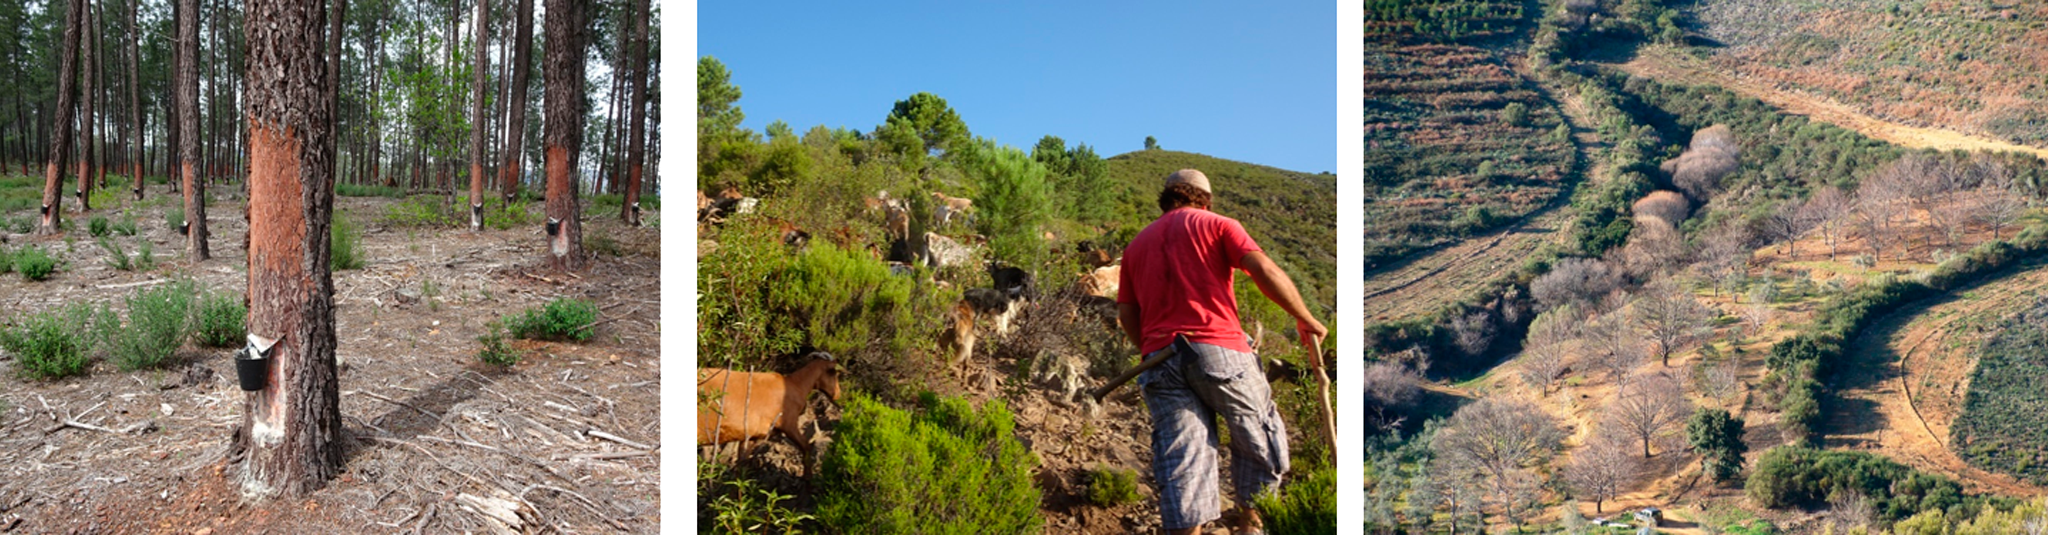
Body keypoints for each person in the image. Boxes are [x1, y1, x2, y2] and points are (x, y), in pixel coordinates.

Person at [1117, 168, 1327, 535]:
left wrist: (1150, 350)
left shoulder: (1136, 245)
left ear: (1166, 198)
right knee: (1258, 437)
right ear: (1204, 199)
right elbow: (1263, 269)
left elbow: (1127, 313)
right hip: (1218, 347)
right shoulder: (1218, 224)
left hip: (1160, 360)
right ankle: (1252, 527)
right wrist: (1304, 317)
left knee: (1182, 455)